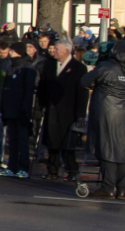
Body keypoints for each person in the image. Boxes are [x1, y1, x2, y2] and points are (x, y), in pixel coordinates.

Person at [82, 40, 125, 199]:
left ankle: (107, 187)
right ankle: (122, 189)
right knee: (124, 149)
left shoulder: (106, 67)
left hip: (106, 111)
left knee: (107, 148)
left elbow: (85, 81)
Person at [36, 39, 88, 180]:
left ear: (66, 50)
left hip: (69, 112)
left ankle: (72, 170)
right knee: (52, 142)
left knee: (67, 143)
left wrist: (80, 115)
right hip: (52, 110)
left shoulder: (78, 68)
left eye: (57, 49)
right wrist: (41, 104)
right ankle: (52, 170)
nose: (54, 51)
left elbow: (82, 92)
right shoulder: (50, 64)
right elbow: (43, 86)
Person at [0, 42, 37, 179]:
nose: (10, 53)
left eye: (12, 51)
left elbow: (28, 92)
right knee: (12, 140)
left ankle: (23, 167)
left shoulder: (27, 68)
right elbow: (5, 89)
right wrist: (3, 108)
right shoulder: (11, 68)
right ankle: (12, 166)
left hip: (21, 109)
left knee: (23, 140)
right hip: (10, 109)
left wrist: (25, 110)